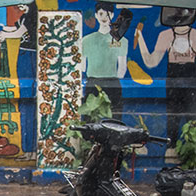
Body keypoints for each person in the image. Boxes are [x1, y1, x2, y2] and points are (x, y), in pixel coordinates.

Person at [136, 9, 196, 143]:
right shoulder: (166, 35)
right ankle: (173, 149)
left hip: (190, 86)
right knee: (173, 122)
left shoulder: (194, 36)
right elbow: (151, 62)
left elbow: (151, 62)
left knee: (190, 121)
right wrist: (139, 38)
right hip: (174, 85)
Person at [81, 3, 129, 115]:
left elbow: (122, 68)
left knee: (113, 119)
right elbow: (82, 66)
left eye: (107, 14)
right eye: (101, 14)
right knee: (93, 120)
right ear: (96, 15)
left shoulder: (121, 41)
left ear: (112, 15)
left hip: (109, 84)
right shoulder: (86, 40)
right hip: (95, 83)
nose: (104, 17)